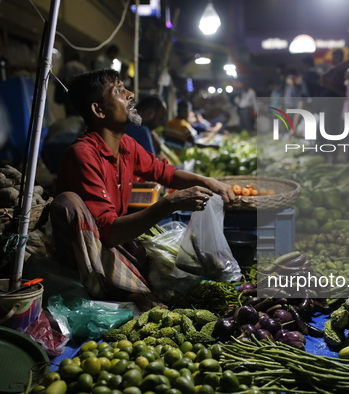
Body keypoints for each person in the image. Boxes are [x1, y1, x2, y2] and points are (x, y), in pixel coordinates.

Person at [50, 69, 235, 307]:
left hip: (110, 240)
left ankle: (130, 289)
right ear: (98, 110)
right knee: (70, 203)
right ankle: (121, 293)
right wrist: (169, 203)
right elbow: (108, 233)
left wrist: (209, 181)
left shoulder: (126, 145)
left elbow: (164, 173)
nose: (130, 94)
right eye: (118, 91)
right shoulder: (83, 154)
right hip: (84, 252)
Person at [126, 95, 167, 160]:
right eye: (160, 119)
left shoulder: (127, 127)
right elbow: (151, 166)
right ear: (149, 113)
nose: (159, 124)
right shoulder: (141, 130)